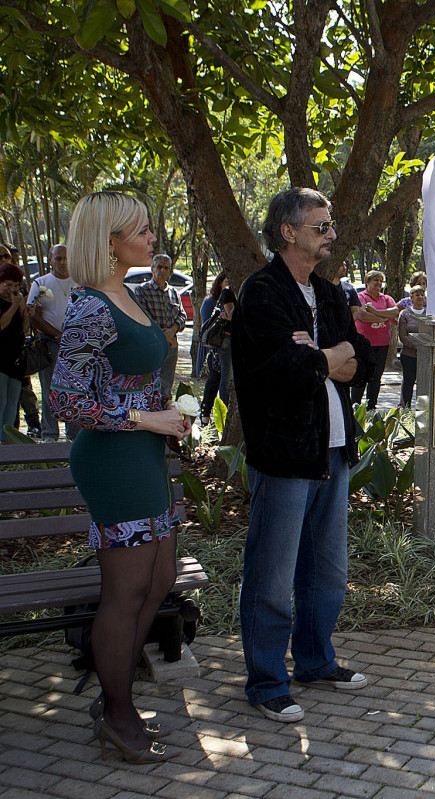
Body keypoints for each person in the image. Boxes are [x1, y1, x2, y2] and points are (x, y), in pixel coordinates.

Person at [49, 191, 190, 761]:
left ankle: (118, 697)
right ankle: (117, 712)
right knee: (126, 591)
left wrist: (168, 416)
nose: (153, 237)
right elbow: (63, 399)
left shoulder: (128, 296)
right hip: (112, 461)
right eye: (141, 230)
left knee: (158, 581)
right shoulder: (89, 308)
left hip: (145, 455)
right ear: (110, 241)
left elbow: (132, 379)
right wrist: (139, 416)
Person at [231, 187, 374, 723]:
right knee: (271, 575)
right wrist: (323, 358)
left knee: (327, 571)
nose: (331, 234)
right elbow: (277, 374)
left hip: (333, 450)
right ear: (288, 232)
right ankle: (267, 681)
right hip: (284, 454)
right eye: (321, 226)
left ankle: (315, 661)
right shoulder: (262, 293)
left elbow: (359, 360)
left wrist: (319, 354)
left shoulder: (330, 294)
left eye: (331, 225)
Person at [27, 244, 77, 440]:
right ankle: (50, 434)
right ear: (50, 260)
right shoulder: (40, 284)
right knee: (50, 390)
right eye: (58, 259)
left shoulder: (79, 282)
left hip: (74, 345)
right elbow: (34, 316)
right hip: (50, 344)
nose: (63, 263)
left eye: (66, 258)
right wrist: (57, 334)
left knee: (72, 390)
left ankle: (73, 435)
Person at [133, 254, 187, 401]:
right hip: (153, 345)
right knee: (149, 384)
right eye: (159, 267)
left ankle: (165, 411)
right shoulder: (142, 290)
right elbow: (143, 316)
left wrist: (173, 330)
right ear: (152, 269)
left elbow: (182, 316)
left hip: (171, 346)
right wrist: (164, 336)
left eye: (166, 268)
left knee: (167, 386)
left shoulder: (173, 292)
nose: (162, 270)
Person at [352, 270, 399, 410]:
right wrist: (385, 317)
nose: (379, 283)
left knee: (376, 377)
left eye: (381, 281)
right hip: (364, 343)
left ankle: (371, 406)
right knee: (361, 375)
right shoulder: (360, 297)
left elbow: (395, 312)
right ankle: (355, 406)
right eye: (375, 280)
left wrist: (375, 311)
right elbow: (363, 316)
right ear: (367, 282)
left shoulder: (386, 299)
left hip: (382, 344)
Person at [199, 274, 236, 425]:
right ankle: (222, 415)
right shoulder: (227, 293)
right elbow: (232, 315)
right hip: (226, 340)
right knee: (223, 379)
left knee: (224, 378)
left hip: (238, 339)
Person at [0, 262, 29, 430]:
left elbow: (24, 329)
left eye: (16, 285)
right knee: (1, 400)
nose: (11, 289)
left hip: (15, 358)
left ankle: (7, 439)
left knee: (12, 403)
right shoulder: (9, 303)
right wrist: (13, 306)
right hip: (1, 359)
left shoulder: (18, 300)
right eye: (7, 285)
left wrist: (24, 311)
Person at [396, 284, 426, 408]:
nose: (420, 297)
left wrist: (424, 349)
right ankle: (406, 408)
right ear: (411, 298)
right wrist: (418, 347)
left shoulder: (430, 314)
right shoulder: (405, 314)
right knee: (408, 382)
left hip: (425, 356)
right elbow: (403, 336)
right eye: (417, 295)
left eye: (422, 295)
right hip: (408, 355)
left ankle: (423, 409)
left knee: (424, 383)